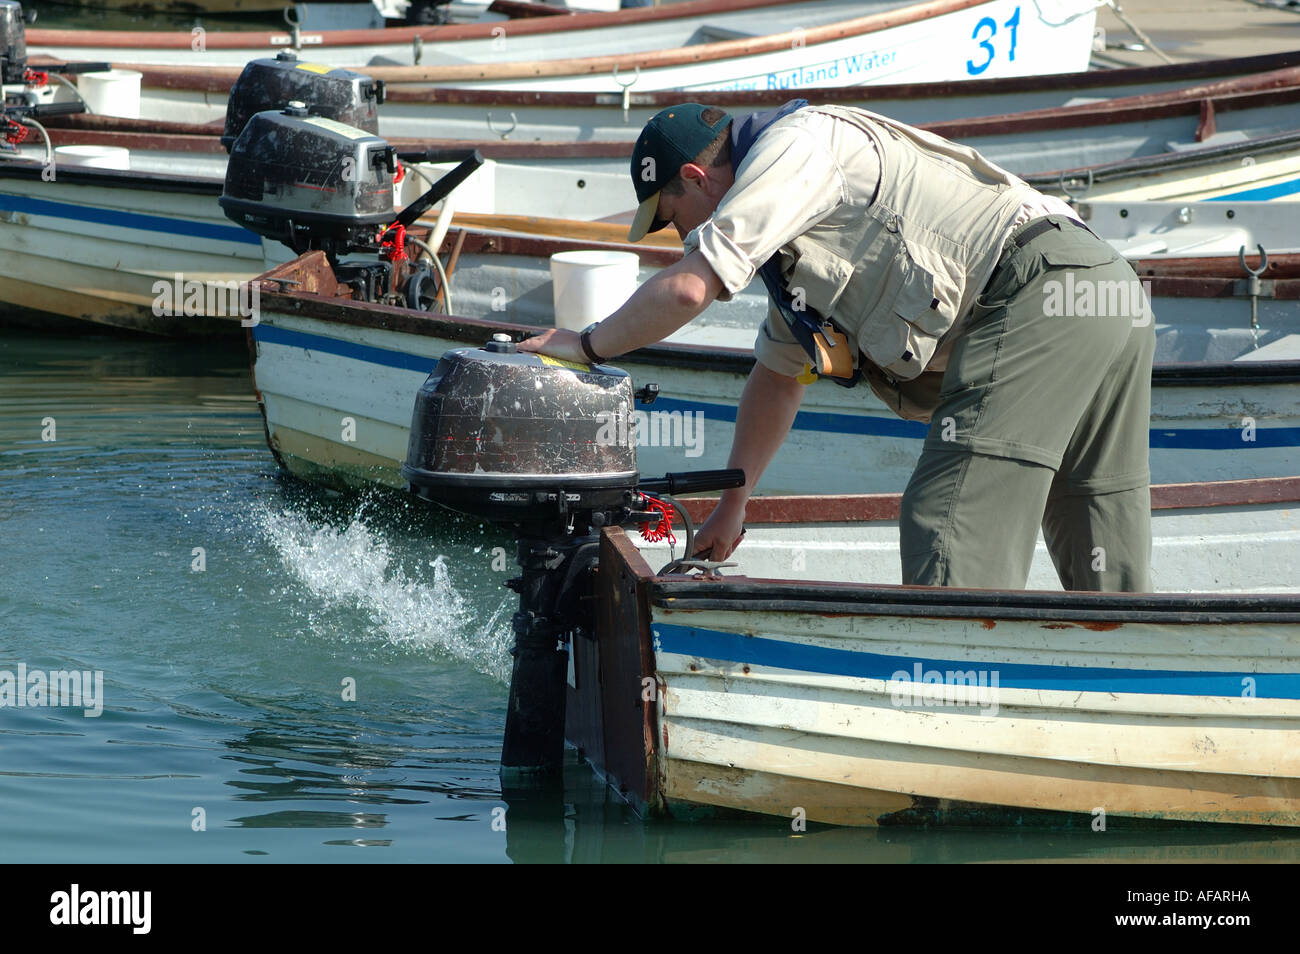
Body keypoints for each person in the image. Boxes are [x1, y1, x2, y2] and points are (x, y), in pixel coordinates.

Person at [518, 100, 1155, 591]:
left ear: (697, 177)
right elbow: (777, 377)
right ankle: (1132, 691)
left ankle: (957, 709)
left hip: (1040, 292)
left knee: (948, 521)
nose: (675, 233)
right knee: (1097, 530)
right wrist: (733, 507)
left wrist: (587, 346)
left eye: (671, 215)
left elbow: (688, 289)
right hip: (1104, 291)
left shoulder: (794, 148)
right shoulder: (794, 231)